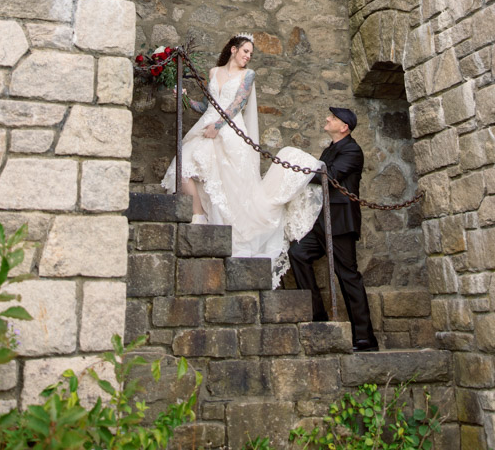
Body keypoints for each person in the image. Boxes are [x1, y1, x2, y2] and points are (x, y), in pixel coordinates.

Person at [161, 34, 323, 287]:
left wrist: (218, 125)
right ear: (233, 50)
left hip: (230, 132)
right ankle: (199, 215)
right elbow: (205, 104)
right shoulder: (213, 71)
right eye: (245, 51)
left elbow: (237, 104)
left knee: (231, 187)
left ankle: (230, 232)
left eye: (251, 54)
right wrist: (182, 98)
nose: (248, 56)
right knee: (183, 166)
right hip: (205, 128)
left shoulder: (248, 76)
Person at [288, 106, 378, 352]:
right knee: (297, 253)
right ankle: (317, 317)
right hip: (320, 221)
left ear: (344, 127)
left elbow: (332, 176)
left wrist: (302, 165)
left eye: (333, 118)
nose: (328, 119)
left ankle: (364, 338)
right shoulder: (330, 149)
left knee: (347, 275)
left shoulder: (352, 150)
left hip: (339, 223)